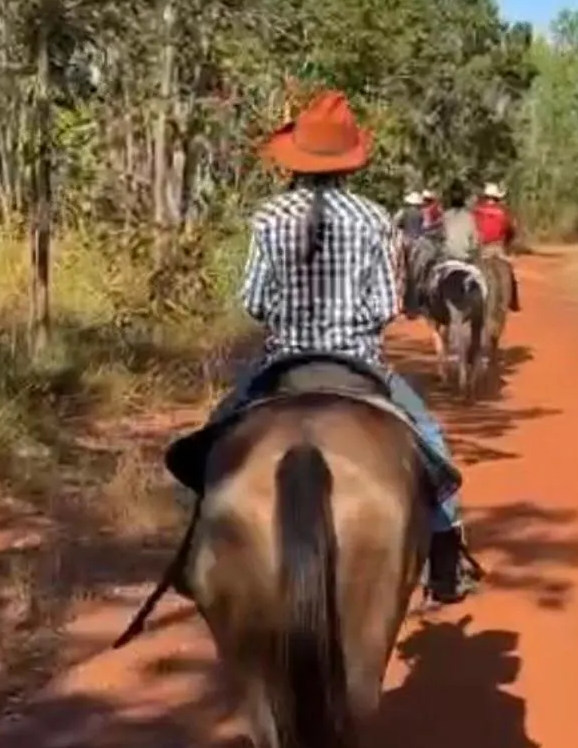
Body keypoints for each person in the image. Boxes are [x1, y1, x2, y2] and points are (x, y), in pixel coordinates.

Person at [204, 93, 480, 605]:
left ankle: (203, 554)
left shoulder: (268, 216)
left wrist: (288, 320)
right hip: (358, 366)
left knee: (207, 448)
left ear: (298, 158)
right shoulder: (375, 218)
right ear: (349, 161)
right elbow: (387, 304)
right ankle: (446, 563)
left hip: (282, 365)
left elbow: (254, 300)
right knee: (433, 447)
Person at [474, 180, 520, 310]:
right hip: (497, 248)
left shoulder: (477, 211)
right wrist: (508, 244)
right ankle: (513, 302)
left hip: (481, 248)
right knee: (511, 273)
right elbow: (511, 231)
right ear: (497, 198)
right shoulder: (503, 212)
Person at [439, 181, 481, 263]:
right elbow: (475, 241)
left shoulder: (445, 216)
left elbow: (442, 236)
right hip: (464, 258)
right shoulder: (469, 217)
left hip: (448, 256)